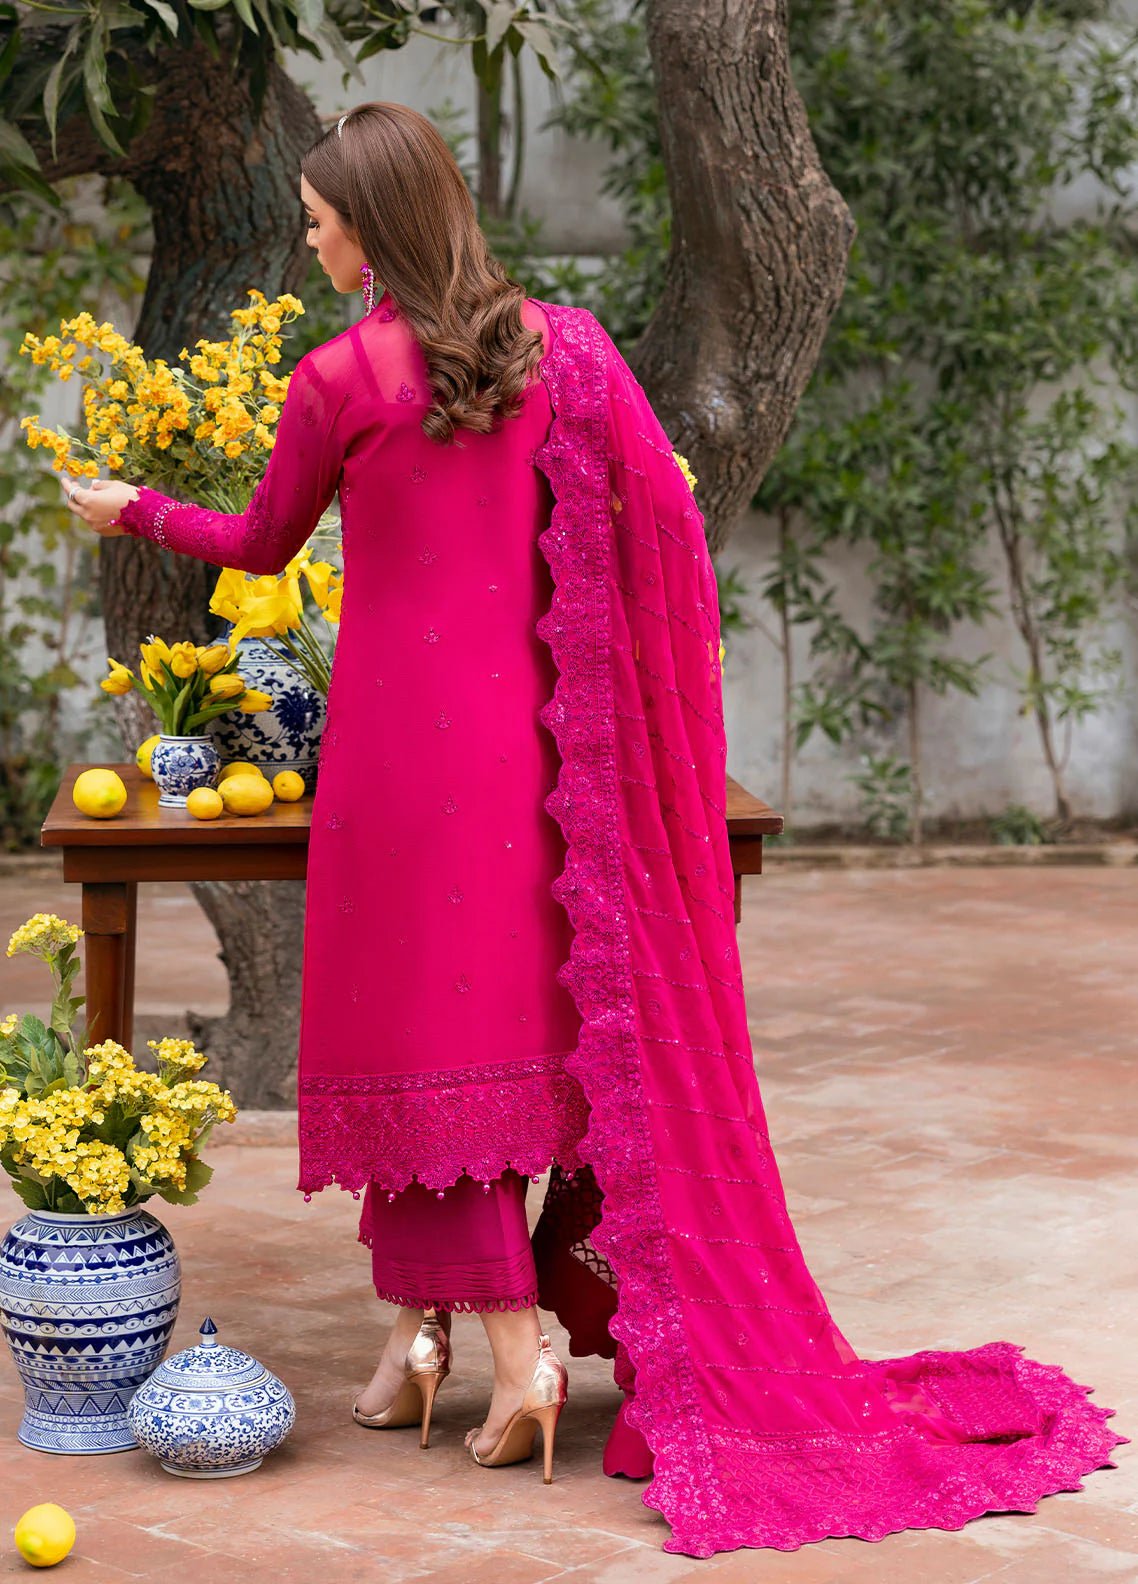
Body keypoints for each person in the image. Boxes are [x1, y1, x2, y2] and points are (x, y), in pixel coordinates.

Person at [64, 101, 1124, 1558]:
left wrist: (133, 510)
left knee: (411, 1040)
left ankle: (510, 1354)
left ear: (374, 222)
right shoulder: (558, 351)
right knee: (495, 1025)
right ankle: (418, 1351)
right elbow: (662, 538)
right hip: (536, 757)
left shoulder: (334, 376)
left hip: (393, 752)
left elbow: (256, 544)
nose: (310, 236)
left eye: (320, 216)